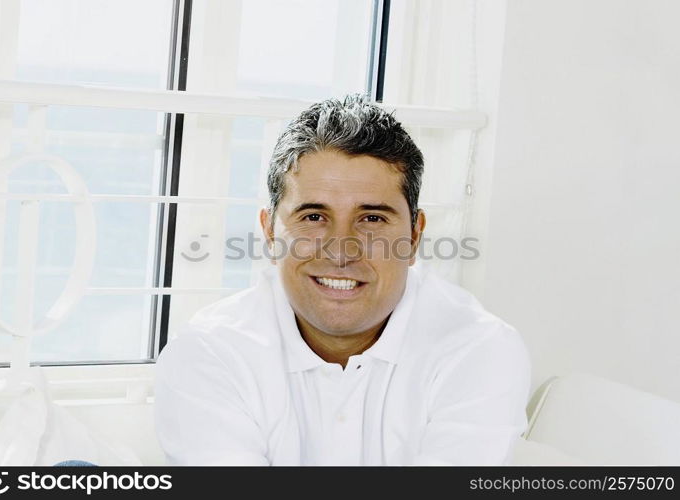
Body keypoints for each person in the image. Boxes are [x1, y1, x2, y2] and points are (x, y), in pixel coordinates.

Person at [154, 94, 530, 465]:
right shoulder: (208, 354)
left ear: (414, 237)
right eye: (313, 217)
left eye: (372, 219)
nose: (340, 251)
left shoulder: (478, 348)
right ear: (270, 232)